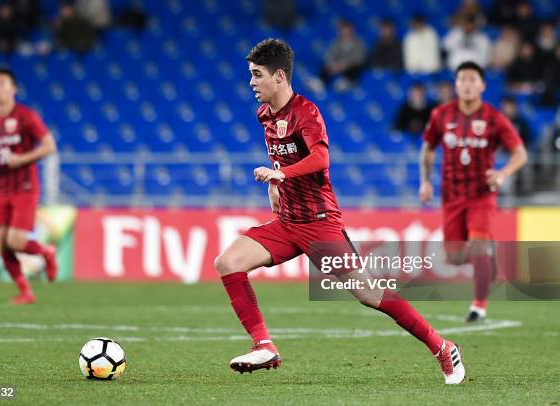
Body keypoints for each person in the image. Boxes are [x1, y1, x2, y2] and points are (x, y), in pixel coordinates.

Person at [215, 38, 466, 384]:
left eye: (257, 75)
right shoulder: (264, 115)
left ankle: (441, 346)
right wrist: (276, 183)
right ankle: (264, 345)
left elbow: (320, 158)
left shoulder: (306, 112)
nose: (251, 83)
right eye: (251, 75)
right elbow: (283, 156)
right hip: (287, 223)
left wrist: (282, 173)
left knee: (368, 293)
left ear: (279, 77)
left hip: (320, 224)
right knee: (227, 262)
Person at [419, 61, 528, 322]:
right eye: (462, 80)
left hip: (482, 194)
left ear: (482, 85)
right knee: (454, 257)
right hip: (452, 195)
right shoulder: (441, 115)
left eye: (472, 80)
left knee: (479, 245)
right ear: (456, 85)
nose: (467, 84)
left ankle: (479, 305)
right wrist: (425, 181)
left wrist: (502, 174)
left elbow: (520, 153)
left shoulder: (494, 118)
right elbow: (428, 148)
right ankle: (485, 260)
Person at [0, 68, 58, 304]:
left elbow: (49, 145)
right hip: (1, 188)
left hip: (25, 186)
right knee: (2, 242)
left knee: (16, 242)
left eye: (2, 84)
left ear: (13, 89)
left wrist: (22, 159)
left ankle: (47, 252)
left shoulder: (26, 116)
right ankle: (25, 291)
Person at [318, 19, 366, 90]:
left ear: (352, 30)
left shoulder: (359, 42)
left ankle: (347, 83)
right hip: (337, 66)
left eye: (347, 30)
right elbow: (330, 56)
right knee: (325, 67)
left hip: (350, 66)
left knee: (355, 68)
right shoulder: (336, 42)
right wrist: (334, 65)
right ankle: (320, 83)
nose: (345, 32)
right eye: (343, 30)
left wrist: (345, 64)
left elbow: (358, 57)